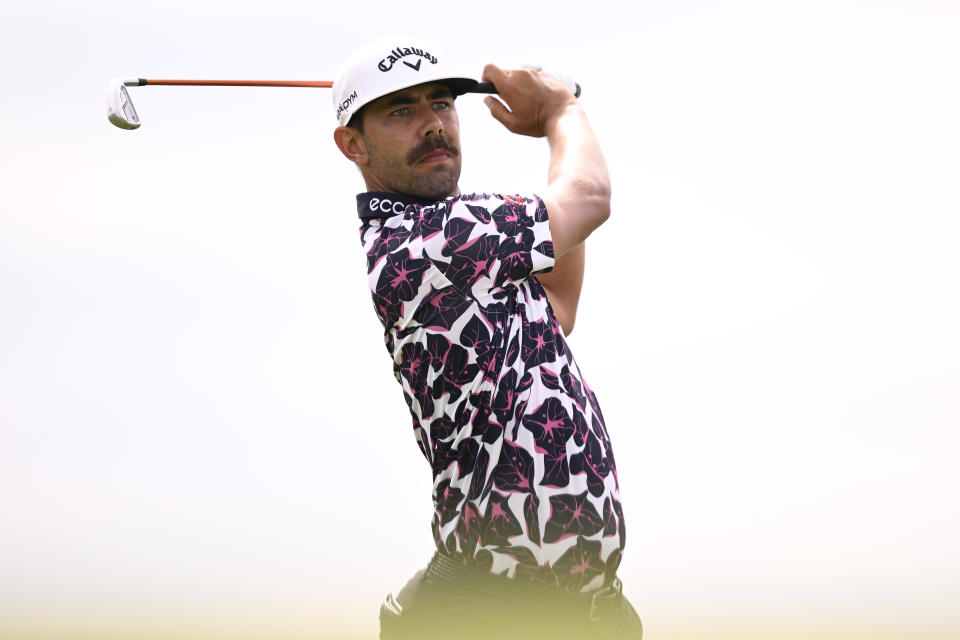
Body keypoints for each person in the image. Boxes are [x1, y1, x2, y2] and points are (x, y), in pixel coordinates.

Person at [331, 37, 642, 640]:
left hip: (582, 611)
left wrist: (553, 139)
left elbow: (559, 300)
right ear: (352, 144)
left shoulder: (468, 240)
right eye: (401, 110)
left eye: (442, 103)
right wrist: (559, 113)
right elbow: (588, 199)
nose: (432, 124)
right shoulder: (422, 243)